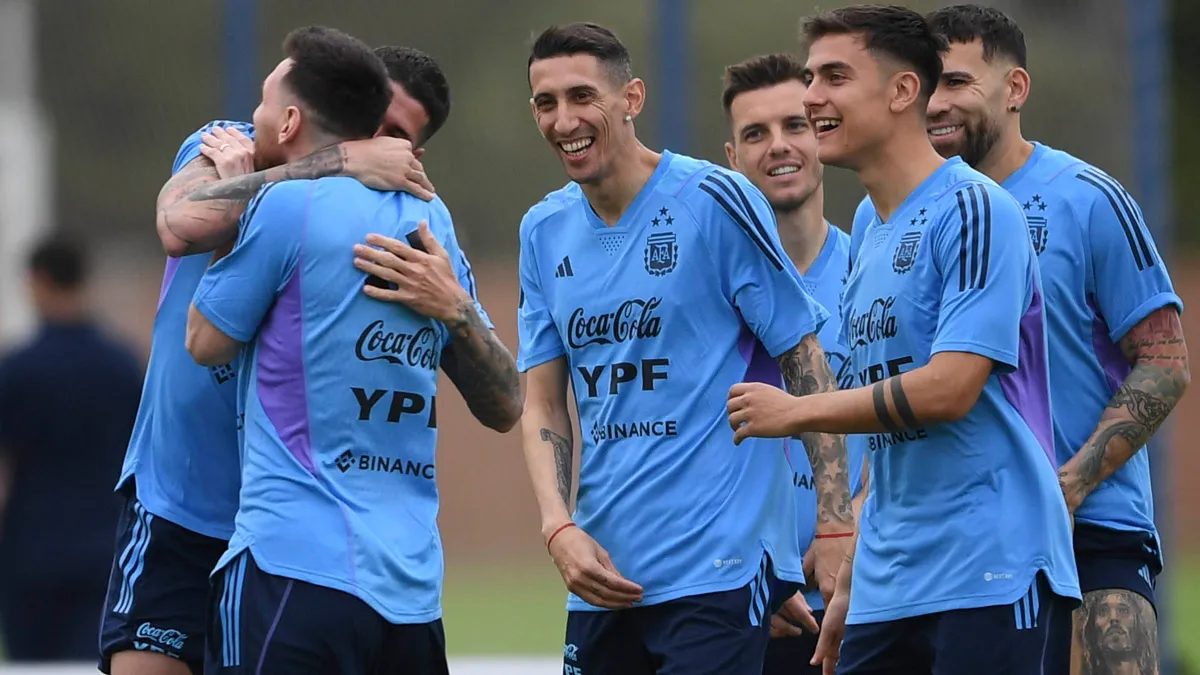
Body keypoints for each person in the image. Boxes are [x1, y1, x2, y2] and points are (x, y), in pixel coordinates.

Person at [726, 5, 1081, 674]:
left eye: (834, 76)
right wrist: (855, 571)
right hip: (889, 581)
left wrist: (797, 410)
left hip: (990, 569)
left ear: (902, 92)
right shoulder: (869, 222)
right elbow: (885, 440)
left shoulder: (976, 209)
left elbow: (950, 388)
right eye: (810, 77)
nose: (811, 97)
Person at [97, 40, 464, 675]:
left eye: (394, 134)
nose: (374, 139)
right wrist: (337, 161)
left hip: (286, 531)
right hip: (183, 497)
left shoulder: (400, 223)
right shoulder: (229, 147)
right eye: (367, 123)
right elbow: (178, 223)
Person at [517, 22, 853, 675]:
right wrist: (558, 525)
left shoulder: (714, 200)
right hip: (604, 574)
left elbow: (806, 362)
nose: (564, 120)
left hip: (718, 570)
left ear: (633, 97)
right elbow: (542, 404)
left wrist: (834, 526)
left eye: (582, 96)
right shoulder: (543, 230)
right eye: (545, 103)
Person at [185, 26, 518, 674]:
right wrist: (459, 313)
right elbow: (506, 405)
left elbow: (203, 340)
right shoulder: (435, 221)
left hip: (295, 567)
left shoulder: (288, 203)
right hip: (409, 594)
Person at [924, 6, 1190, 673]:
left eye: (956, 81)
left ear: (1015, 89)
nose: (936, 102)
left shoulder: (1088, 199)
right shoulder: (899, 215)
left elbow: (1165, 361)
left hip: (1092, 532)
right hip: (952, 539)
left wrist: (1068, 485)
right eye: (924, 82)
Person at [720, 52, 869, 674]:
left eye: (795, 125)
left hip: (860, 595)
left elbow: (924, 418)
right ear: (733, 158)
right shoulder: (704, 287)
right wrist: (766, 567)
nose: (778, 146)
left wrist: (854, 533)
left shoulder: (875, 269)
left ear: (821, 135)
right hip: (737, 599)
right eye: (755, 133)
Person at [0, 238, 142, 662]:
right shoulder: (123, 365)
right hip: (107, 545)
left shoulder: (19, 369)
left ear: (36, 282)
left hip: (32, 549)